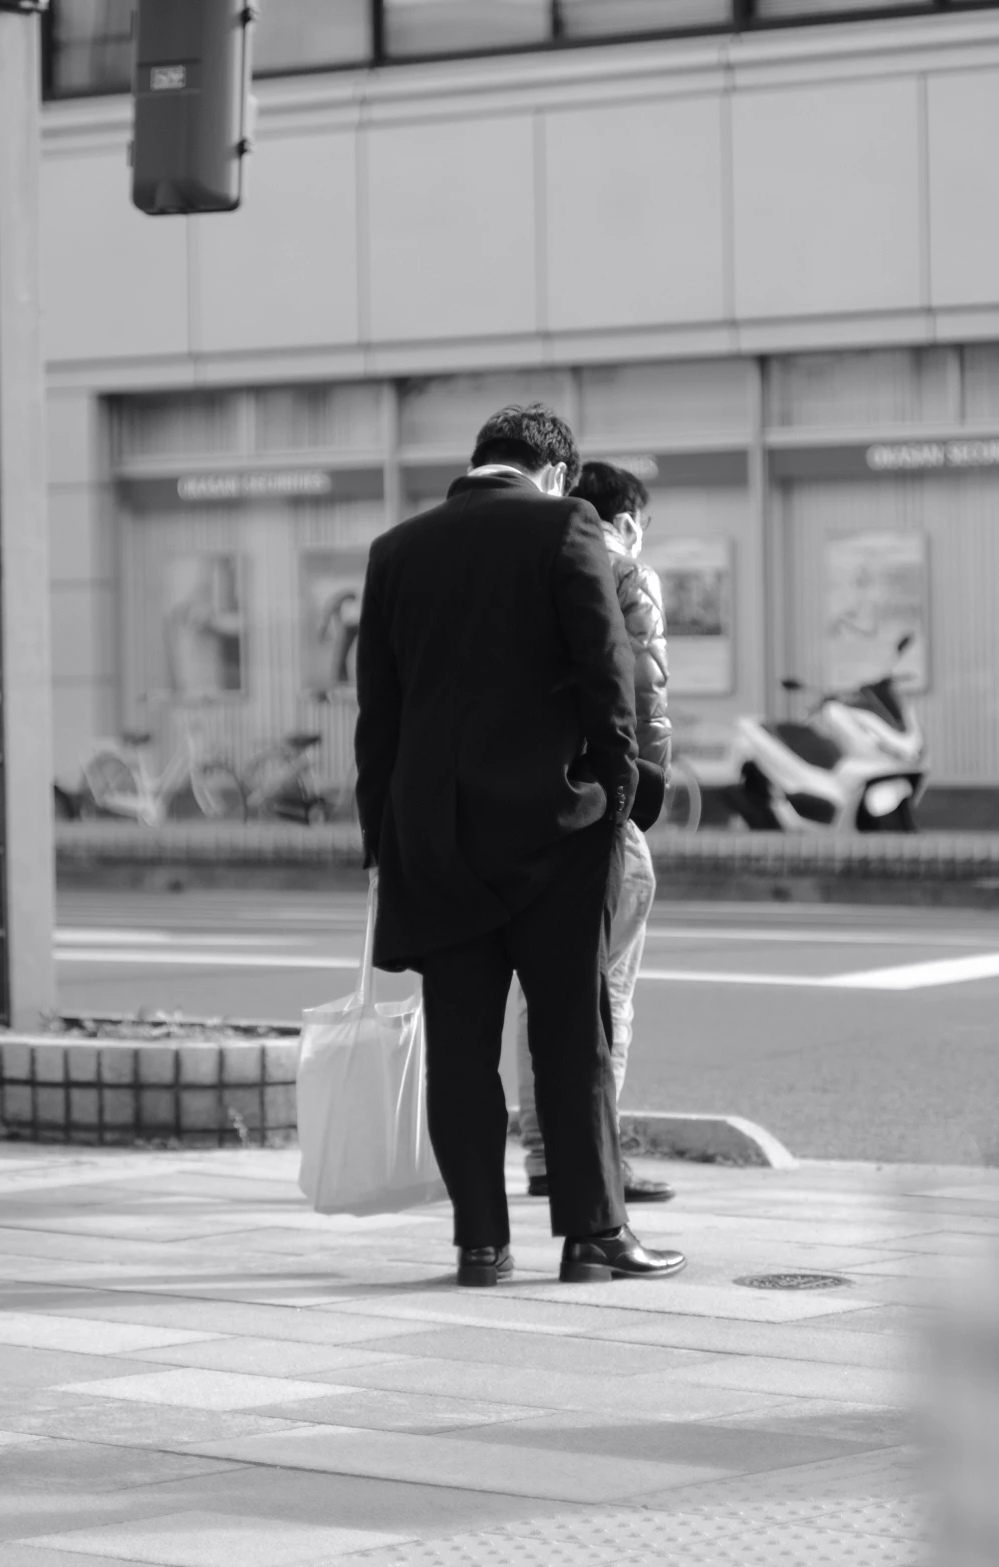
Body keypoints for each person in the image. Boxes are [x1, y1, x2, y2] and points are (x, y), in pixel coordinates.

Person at [354, 405, 683, 1288]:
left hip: (434, 835)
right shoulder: (565, 523)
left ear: (480, 461)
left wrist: (378, 842)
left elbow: (376, 717)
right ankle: (591, 1235)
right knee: (572, 1033)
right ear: (557, 471)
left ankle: (480, 1245)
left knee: (460, 1048)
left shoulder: (396, 550)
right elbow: (607, 675)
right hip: (555, 828)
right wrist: (617, 799)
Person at [514, 460, 673, 1205]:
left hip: (533, 801)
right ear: (628, 518)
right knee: (607, 991)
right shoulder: (624, 567)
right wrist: (643, 795)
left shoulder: (531, 565)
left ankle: (545, 1153)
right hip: (603, 803)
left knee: (542, 991)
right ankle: (596, 1158)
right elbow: (646, 689)